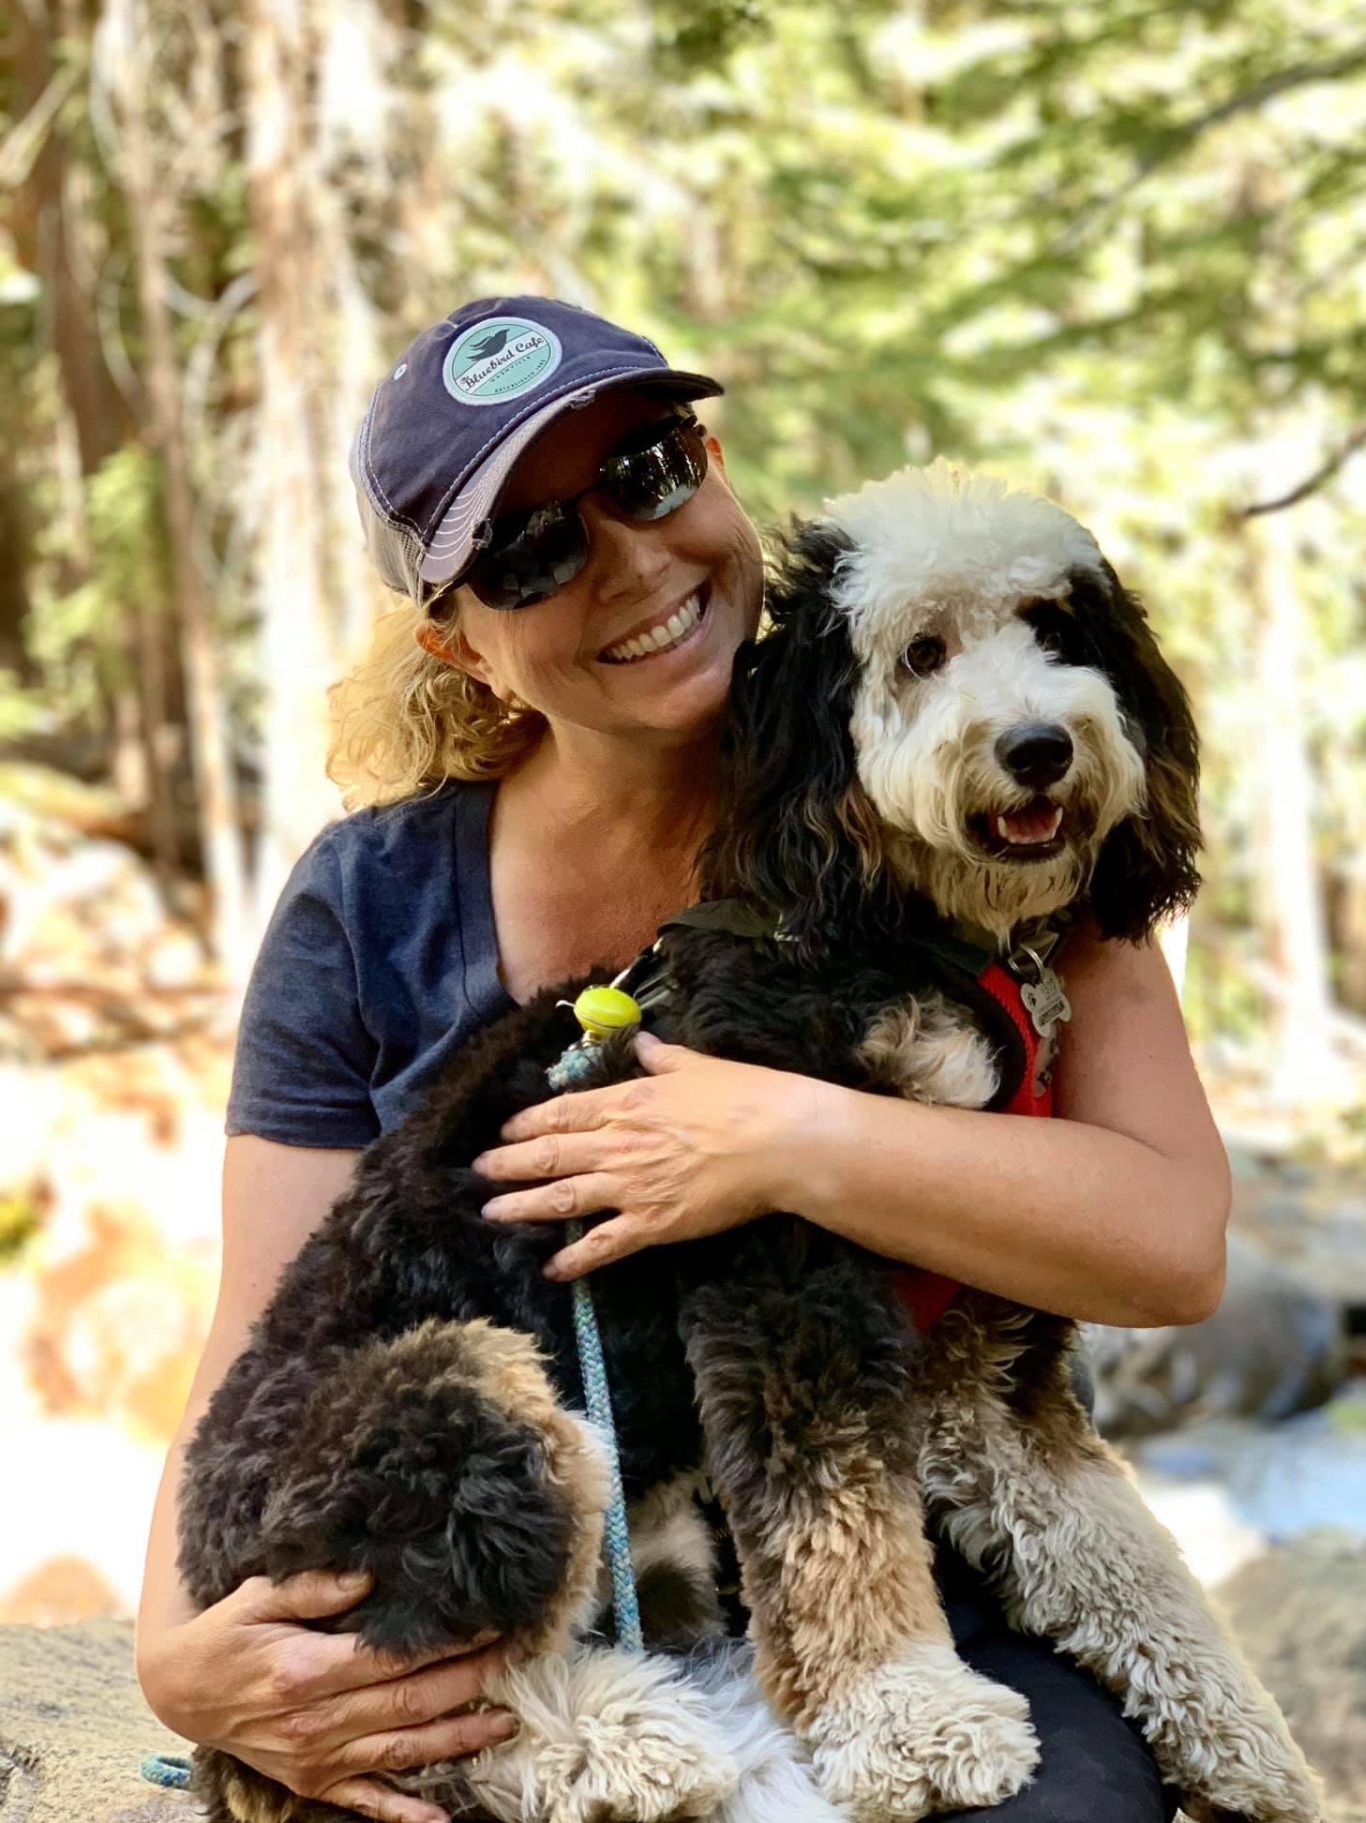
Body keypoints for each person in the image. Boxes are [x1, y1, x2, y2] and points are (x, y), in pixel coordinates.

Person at [135, 296, 1229, 1823]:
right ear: (463, 645)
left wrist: (788, 1143)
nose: (632, 561)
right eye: (531, 551)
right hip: (535, 1602)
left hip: (932, 1590)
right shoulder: (372, 904)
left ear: (709, 464)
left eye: (645, 471)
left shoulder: (966, 758)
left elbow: (1171, 1246)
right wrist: (179, 1661)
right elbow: (264, 1331)